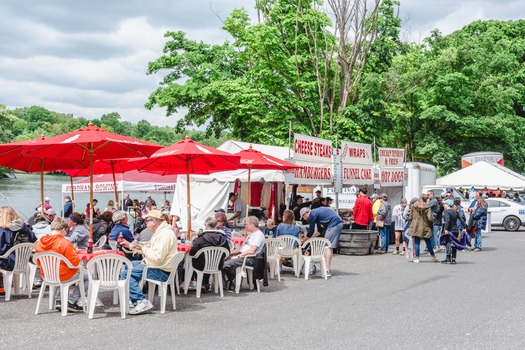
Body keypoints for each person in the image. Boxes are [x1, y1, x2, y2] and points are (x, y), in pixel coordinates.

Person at [119, 210, 178, 314]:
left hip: (161, 270)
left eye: (147, 220)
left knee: (126, 273)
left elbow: (157, 257)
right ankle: (134, 297)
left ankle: (140, 301)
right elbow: (151, 247)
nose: (145, 223)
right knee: (128, 266)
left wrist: (141, 247)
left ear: (154, 221)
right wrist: (131, 245)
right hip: (158, 266)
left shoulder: (164, 234)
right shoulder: (162, 232)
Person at [34, 217, 87, 313]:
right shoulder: (65, 243)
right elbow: (75, 262)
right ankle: (71, 300)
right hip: (63, 275)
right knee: (87, 276)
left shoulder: (40, 242)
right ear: (63, 229)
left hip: (47, 275)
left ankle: (59, 299)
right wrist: (74, 252)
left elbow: (38, 261)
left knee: (60, 269)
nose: (67, 233)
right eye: (66, 231)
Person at [222, 216, 265, 288]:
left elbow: (252, 250)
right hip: (244, 255)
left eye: (246, 224)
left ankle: (233, 279)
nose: (245, 226)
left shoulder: (258, 235)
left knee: (225, 264)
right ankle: (232, 280)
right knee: (221, 261)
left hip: (250, 258)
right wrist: (230, 252)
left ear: (252, 224)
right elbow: (241, 247)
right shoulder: (251, 234)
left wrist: (239, 256)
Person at [189, 217, 230, 292]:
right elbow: (227, 251)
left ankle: (201, 283)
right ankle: (205, 283)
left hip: (201, 265)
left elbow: (192, 252)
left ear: (206, 226)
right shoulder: (222, 237)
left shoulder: (202, 238)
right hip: (218, 264)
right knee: (205, 260)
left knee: (194, 260)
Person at [300, 206, 343, 277]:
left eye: (304, 217)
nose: (305, 219)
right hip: (337, 223)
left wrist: (303, 241)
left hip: (334, 225)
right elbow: (320, 230)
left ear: (305, 213)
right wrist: (310, 238)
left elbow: (310, 231)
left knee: (327, 246)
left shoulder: (312, 214)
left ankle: (327, 270)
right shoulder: (317, 213)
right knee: (329, 246)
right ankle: (326, 269)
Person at [0, 206, 38, 272]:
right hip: (23, 262)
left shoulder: (3, 230)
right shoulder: (24, 227)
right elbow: (34, 241)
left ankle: (5, 282)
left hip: (8, 263)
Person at [407, 194, 439, 263]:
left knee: (417, 242)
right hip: (425, 226)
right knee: (428, 242)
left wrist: (411, 224)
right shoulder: (427, 207)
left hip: (415, 226)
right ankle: (433, 256)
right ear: (426, 199)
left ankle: (417, 258)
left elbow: (410, 217)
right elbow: (430, 218)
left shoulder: (413, 206)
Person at [440, 199, 468, 264]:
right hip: (456, 230)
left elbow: (447, 220)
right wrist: (464, 227)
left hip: (449, 230)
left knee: (448, 243)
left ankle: (448, 258)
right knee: (454, 244)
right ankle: (453, 259)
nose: (443, 205)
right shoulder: (455, 211)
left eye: (445, 204)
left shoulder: (446, 212)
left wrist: (446, 229)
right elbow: (462, 220)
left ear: (448, 205)